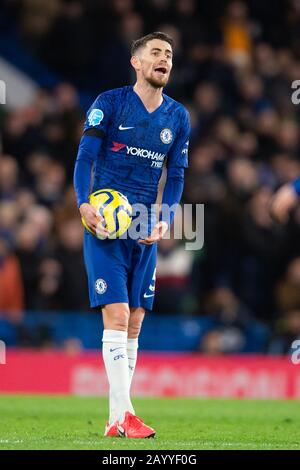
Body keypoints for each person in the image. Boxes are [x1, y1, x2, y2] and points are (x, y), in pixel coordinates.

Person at [73, 32, 190, 438]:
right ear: (136, 62)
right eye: (156, 52)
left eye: (169, 55)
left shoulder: (178, 116)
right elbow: (85, 156)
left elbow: (175, 175)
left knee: (136, 322)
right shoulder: (109, 103)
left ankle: (112, 418)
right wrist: (83, 203)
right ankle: (126, 415)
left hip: (143, 227)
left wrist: (166, 217)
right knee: (118, 314)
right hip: (106, 224)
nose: (164, 59)